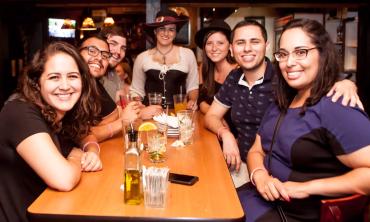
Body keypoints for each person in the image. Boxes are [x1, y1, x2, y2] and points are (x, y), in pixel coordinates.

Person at [204, 20, 362, 186]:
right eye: (240, 42)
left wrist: (345, 83)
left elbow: (318, 82)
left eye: (254, 41)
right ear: (232, 48)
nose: (247, 48)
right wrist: (225, 134)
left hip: (279, 172)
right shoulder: (234, 78)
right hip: (242, 164)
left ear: (267, 45)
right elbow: (212, 115)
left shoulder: (284, 75)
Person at [242, 18, 370, 222]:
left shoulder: (337, 106)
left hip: (293, 213)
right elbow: (256, 150)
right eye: (283, 54)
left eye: (301, 52)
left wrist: (306, 188)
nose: (289, 62)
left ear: (322, 54)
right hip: (258, 196)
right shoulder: (281, 101)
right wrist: (259, 175)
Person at [0, 41, 102, 222]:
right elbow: (63, 179)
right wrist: (75, 158)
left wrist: (89, 152)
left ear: (83, 81)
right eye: (54, 77)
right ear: (37, 82)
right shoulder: (19, 112)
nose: (65, 86)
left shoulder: (57, 116)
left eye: (72, 76)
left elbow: (79, 142)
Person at [130, 8, 199, 111]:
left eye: (171, 29)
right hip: (151, 113)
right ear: (155, 31)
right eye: (162, 28)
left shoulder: (188, 54)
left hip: (179, 113)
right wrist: (137, 102)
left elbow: (192, 87)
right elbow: (137, 90)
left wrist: (192, 100)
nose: (166, 33)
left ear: (175, 33)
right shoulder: (142, 58)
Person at [79, 35, 140, 142]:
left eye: (105, 56)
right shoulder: (72, 86)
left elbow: (114, 113)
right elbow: (81, 135)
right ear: (77, 53)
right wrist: (122, 121)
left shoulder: (95, 83)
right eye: (92, 51)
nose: (99, 58)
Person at [194, 19, 238, 137]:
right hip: (213, 128)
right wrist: (217, 118)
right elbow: (201, 101)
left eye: (220, 43)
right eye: (209, 43)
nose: (214, 48)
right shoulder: (204, 68)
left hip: (235, 135)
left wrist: (215, 117)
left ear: (230, 45)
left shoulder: (238, 71)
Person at [99, 26, 129, 103]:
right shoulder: (89, 74)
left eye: (123, 48)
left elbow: (121, 102)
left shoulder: (112, 72)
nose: (118, 52)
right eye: (113, 44)